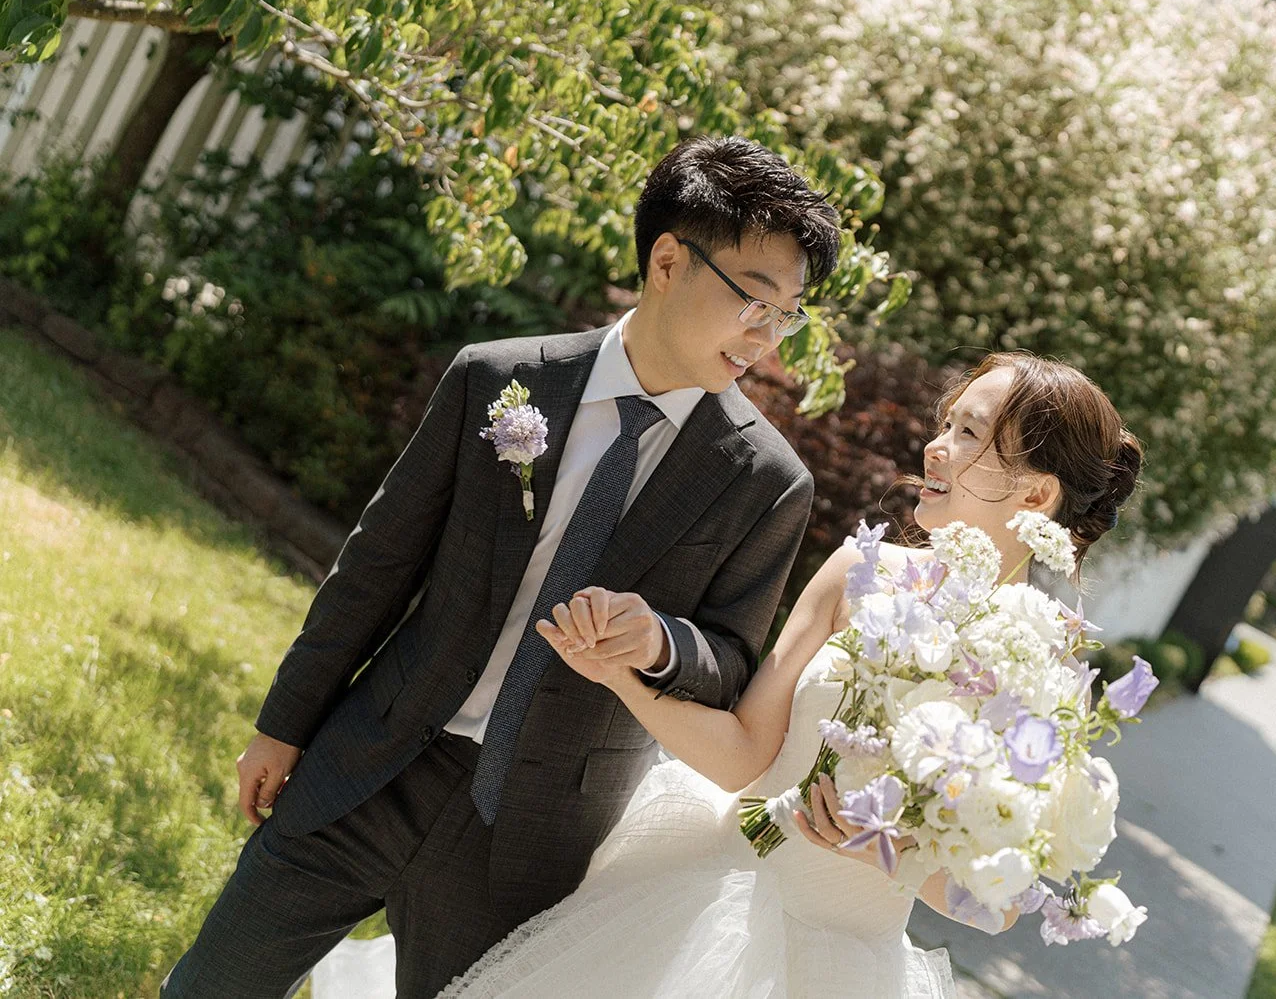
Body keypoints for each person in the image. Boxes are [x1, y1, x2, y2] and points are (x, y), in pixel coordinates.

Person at [160, 135, 837, 999]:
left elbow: (731, 661)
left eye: (787, 315)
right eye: (754, 299)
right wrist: (283, 724)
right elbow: (376, 567)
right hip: (371, 764)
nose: (766, 336)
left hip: (530, 836)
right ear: (668, 261)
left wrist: (659, 642)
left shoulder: (766, 480)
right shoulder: (498, 379)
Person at [434, 351, 1144, 998]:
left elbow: (999, 904)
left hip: (835, 969)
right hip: (698, 897)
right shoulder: (859, 571)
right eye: (947, 423)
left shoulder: (1045, 671)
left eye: (969, 433)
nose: (936, 445)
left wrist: (884, 850)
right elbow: (746, 753)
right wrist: (621, 676)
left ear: (1034, 495)